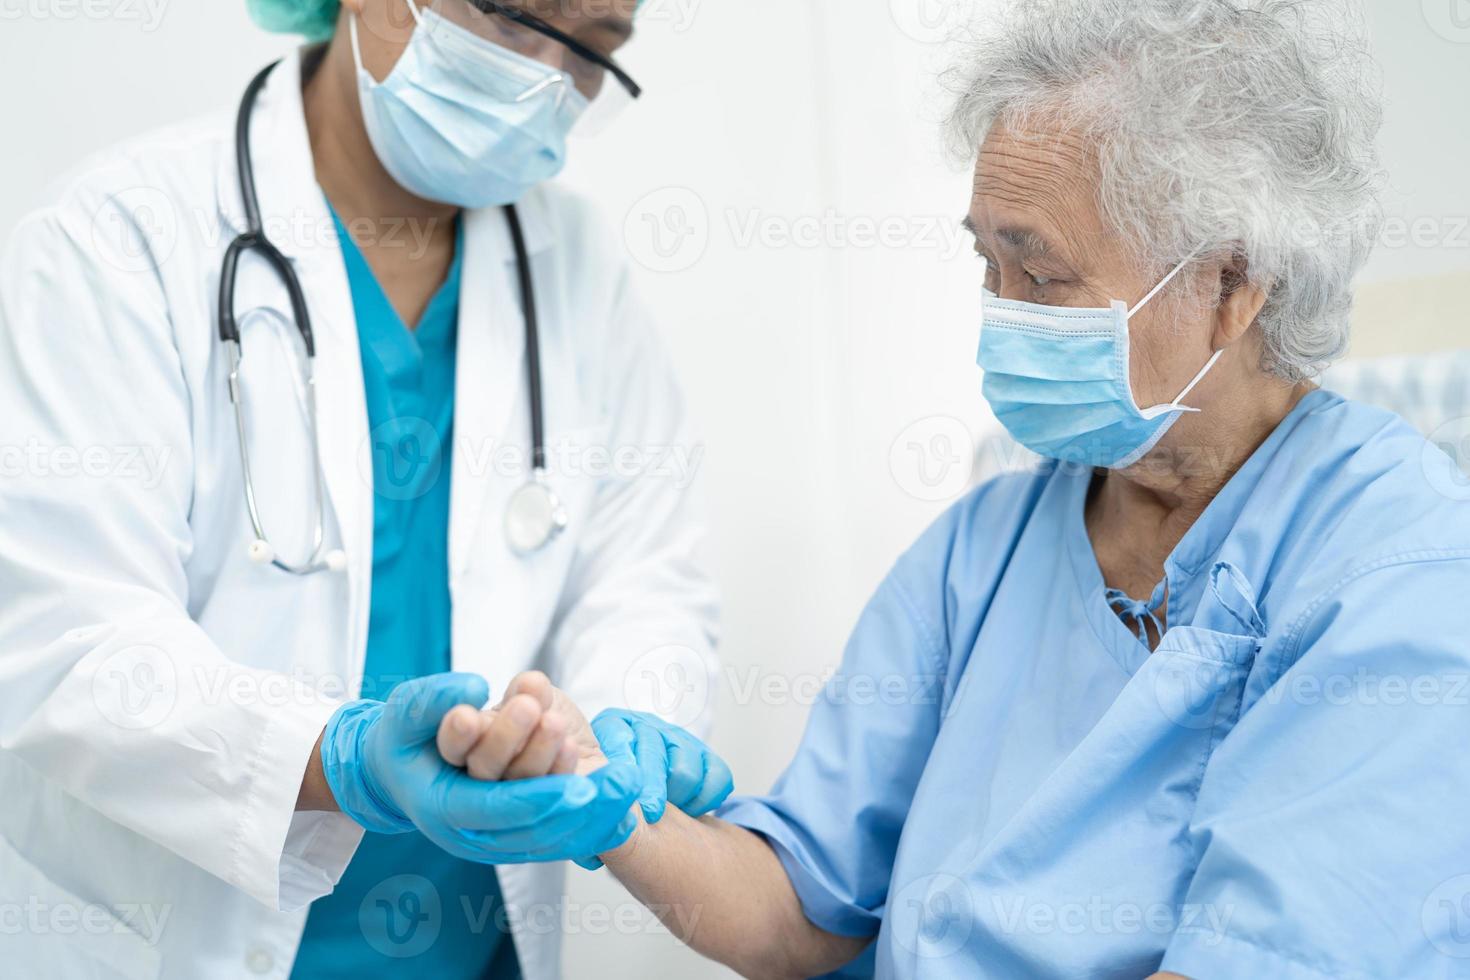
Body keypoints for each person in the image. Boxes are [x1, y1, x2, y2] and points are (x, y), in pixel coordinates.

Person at [493, 0, 1470, 977]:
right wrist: (598, 798)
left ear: (1232, 284)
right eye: (985, 262)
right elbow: (796, 900)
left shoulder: (1398, 569)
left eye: (1040, 275)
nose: (1001, 317)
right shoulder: (988, 546)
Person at [0, 1, 725, 977]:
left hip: (481, 945)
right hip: (190, 937)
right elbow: (63, 639)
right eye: (515, 20)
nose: (548, 76)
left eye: (595, 46)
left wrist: (630, 719)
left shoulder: (578, 265)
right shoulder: (117, 237)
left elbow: (646, 575)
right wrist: (337, 757)